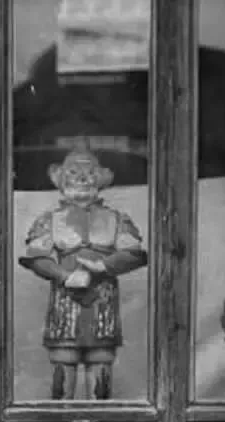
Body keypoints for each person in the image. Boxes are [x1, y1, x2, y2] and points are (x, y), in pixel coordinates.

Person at [19, 146, 147, 400]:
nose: (81, 178)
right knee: (63, 363)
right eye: (73, 172)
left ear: (99, 179)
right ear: (61, 179)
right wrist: (65, 276)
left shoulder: (116, 219)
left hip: (102, 304)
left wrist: (104, 266)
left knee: (101, 365)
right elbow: (36, 258)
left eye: (88, 172)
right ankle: (61, 419)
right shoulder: (49, 220)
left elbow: (135, 254)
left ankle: (99, 418)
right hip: (65, 304)